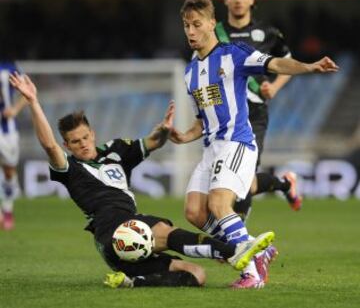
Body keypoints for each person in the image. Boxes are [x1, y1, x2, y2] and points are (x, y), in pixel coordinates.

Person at [9, 72, 275, 289]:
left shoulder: (115, 151)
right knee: (163, 230)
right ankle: (234, 251)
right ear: (67, 145)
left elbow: (152, 143)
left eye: (85, 137)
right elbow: (48, 145)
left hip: (128, 237)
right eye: (75, 142)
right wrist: (33, 102)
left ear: (93, 133)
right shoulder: (69, 168)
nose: (83, 145)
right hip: (113, 230)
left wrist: (163, 130)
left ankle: (133, 281)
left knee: (196, 275)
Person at [170, 0, 338, 288]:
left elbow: (275, 64)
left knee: (220, 204)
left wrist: (309, 67)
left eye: (197, 24)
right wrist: (184, 136)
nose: (191, 32)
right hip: (211, 147)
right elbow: (202, 119)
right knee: (194, 212)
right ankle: (250, 246)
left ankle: (253, 273)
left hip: (236, 142)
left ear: (212, 23)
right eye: (186, 26)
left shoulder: (233, 54)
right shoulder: (190, 72)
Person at [217, 0, 301, 218]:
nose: (238, 0)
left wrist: (274, 87)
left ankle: (239, 238)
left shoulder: (267, 33)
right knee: (231, 178)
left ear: (252, 0)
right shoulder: (214, 34)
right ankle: (285, 184)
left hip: (254, 112)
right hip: (224, 114)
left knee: (244, 175)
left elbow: (288, 63)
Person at [0, 62, 27, 230]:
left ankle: (8, 209)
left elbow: (27, 91)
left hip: (7, 131)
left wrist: (15, 109)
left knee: (9, 171)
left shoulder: (8, 68)